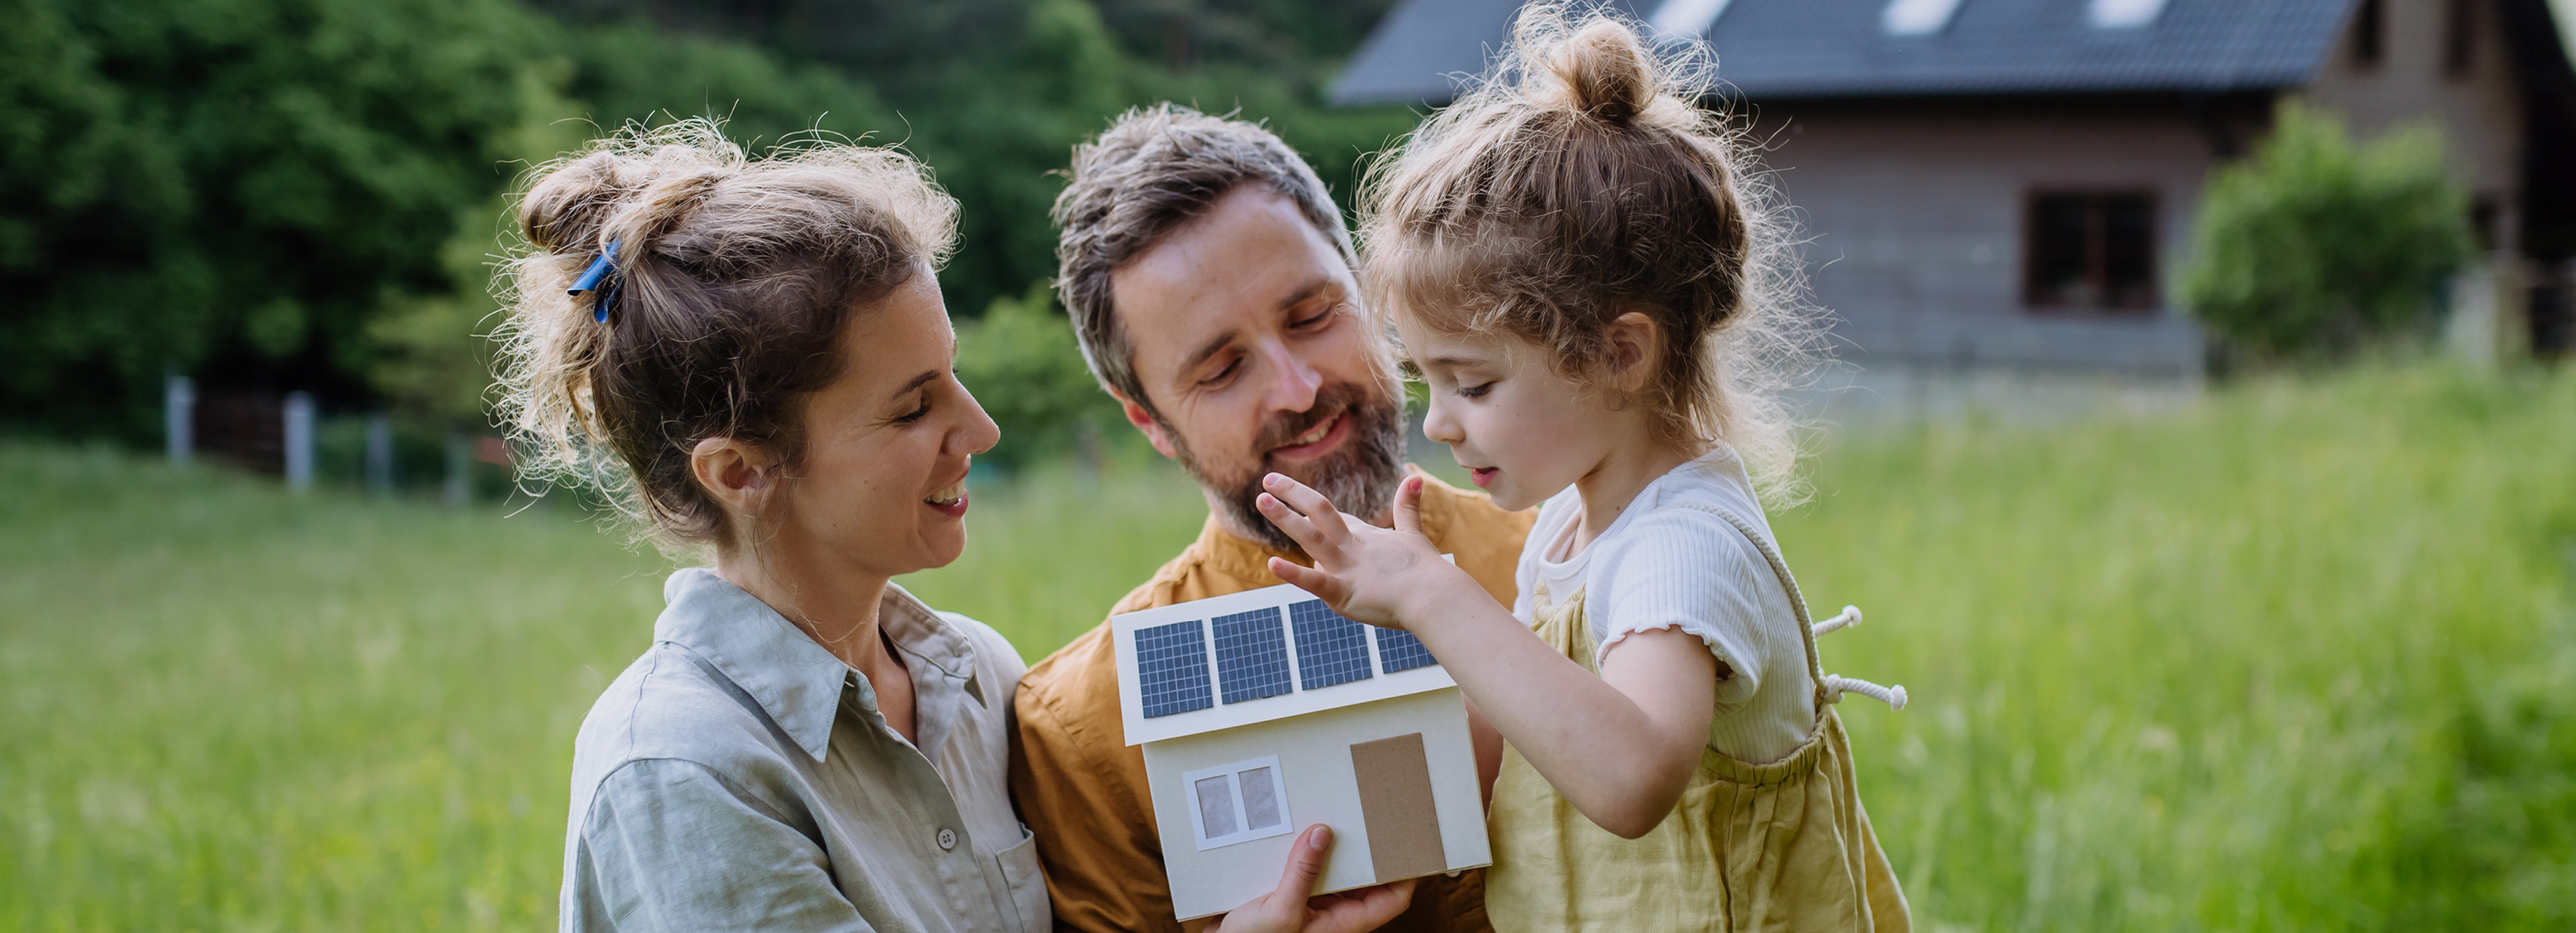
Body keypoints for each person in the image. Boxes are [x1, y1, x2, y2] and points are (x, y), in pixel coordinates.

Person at [500, 122, 1408, 933]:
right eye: (910, 409)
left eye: (953, 375)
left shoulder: (978, 677)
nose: (979, 431)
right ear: (741, 472)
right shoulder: (680, 773)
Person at [1248, 8, 1912, 931]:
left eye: (1472, 384)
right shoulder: (1573, 523)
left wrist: (1433, 597)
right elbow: (1527, 741)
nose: (1436, 422)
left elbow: (1630, 778)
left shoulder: (1678, 553)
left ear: (1617, 355)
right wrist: (1387, 826)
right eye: (1426, 381)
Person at [1010, 106, 1535, 933]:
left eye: (1313, 315)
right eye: (1221, 369)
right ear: (1148, 420)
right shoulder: (1084, 732)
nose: (1296, 388)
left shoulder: (1575, 553)